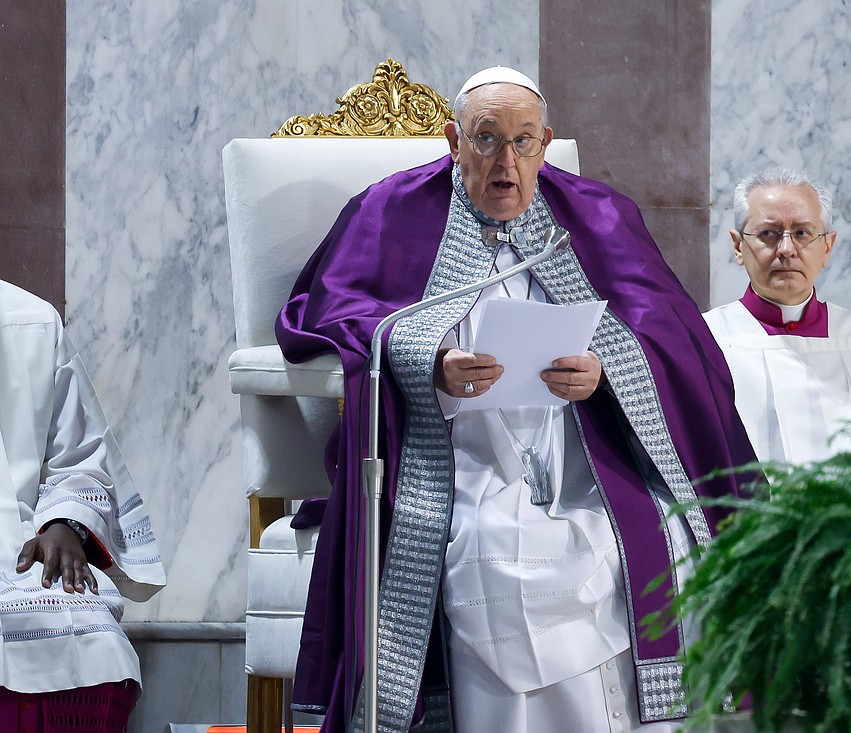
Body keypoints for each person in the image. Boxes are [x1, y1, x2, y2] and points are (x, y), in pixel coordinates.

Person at [277, 67, 756, 733]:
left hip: (582, 462)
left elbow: (676, 337)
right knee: (489, 557)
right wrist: (430, 363)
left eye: (524, 142)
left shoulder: (598, 215)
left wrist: (605, 371)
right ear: (453, 141)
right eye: (487, 140)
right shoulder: (386, 210)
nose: (507, 164)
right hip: (453, 463)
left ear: (546, 141)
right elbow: (328, 313)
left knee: (616, 548)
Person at [0, 280, 165, 731]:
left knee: (94, 638)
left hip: (18, 554)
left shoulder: (30, 321)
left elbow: (76, 457)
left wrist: (65, 524)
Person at [704, 168, 851, 465]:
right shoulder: (704, 342)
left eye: (802, 233)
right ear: (739, 246)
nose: (787, 249)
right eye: (769, 233)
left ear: (827, 246)